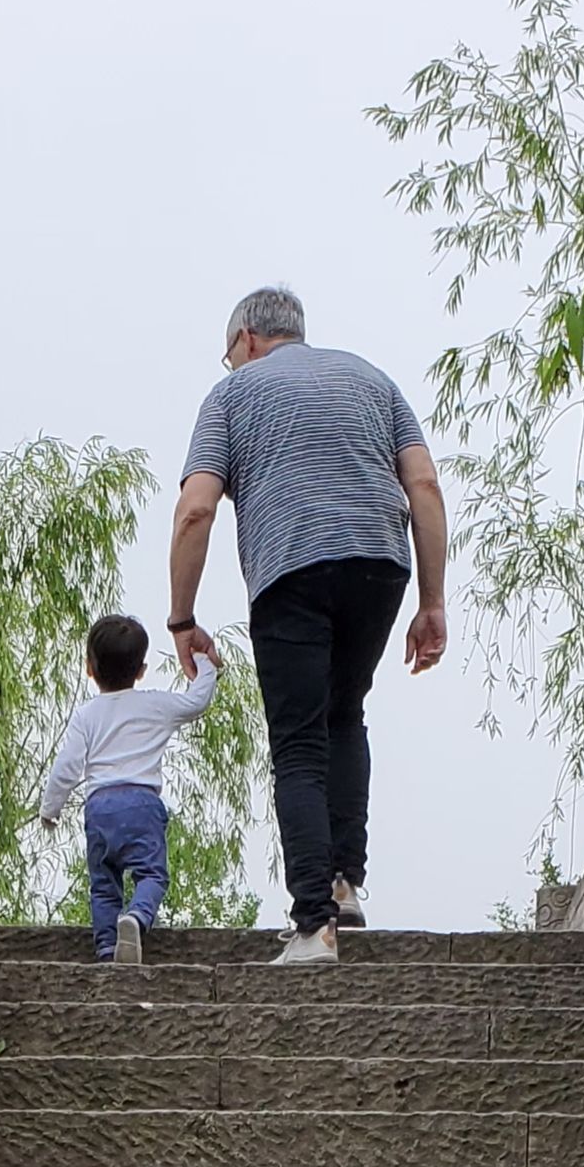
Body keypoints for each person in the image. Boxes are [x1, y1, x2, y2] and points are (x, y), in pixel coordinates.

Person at [167, 284, 447, 965]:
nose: (231, 364)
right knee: (344, 714)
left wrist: (182, 617)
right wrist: (431, 601)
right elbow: (425, 488)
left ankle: (313, 924)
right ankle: (344, 881)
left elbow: (196, 510)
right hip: (380, 563)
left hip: (290, 570)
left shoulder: (230, 397)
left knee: (297, 743)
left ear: (248, 341)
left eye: (230, 354)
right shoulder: (372, 379)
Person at [40, 613, 218, 964]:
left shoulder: (86, 715)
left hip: (100, 806)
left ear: (89, 667)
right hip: (142, 803)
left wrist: (50, 809)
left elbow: (66, 768)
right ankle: (136, 917)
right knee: (151, 873)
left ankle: (107, 949)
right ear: (141, 670)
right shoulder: (155, 705)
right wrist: (204, 660)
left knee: (104, 884)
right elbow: (197, 700)